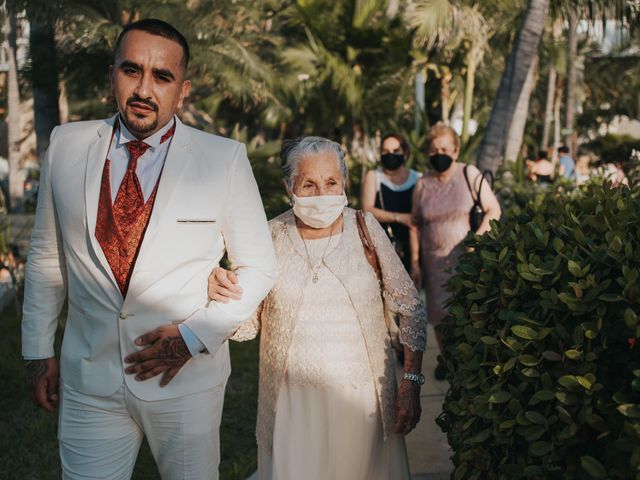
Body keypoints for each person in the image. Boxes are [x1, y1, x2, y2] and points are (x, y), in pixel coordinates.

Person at [21, 19, 277, 479]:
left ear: (183, 90)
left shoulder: (223, 158)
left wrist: (193, 338)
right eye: (131, 70)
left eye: (162, 76)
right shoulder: (66, 145)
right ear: (112, 75)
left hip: (185, 383)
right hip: (88, 379)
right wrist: (38, 353)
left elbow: (260, 267)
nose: (144, 88)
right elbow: (45, 256)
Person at [209, 136, 427, 480]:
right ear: (288, 187)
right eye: (308, 184)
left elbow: (411, 307)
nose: (322, 193)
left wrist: (410, 382)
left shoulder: (364, 228)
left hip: (363, 405)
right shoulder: (269, 237)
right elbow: (249, 326)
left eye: (331, 182)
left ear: (345, 185)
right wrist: (224, 293)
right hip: (292, 408)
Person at [412, 123, 501, 380]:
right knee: (439, 314)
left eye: (444, 148)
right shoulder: (422, 184)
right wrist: (416, 261)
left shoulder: (468, 174)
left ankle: (471, 362)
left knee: (469, 309)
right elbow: (416, 223)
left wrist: (477, 239)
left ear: (456, 150)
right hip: (433, 259)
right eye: (433, 149)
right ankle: (448, 360)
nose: (438, 153)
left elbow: (493, 209)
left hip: (466, 257)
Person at [360, 133, 420, 279]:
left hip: (413, 250)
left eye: (395, 151)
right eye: (385, 151)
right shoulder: (373, 176)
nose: (390, 155)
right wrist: (399, 218)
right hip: (382, 248)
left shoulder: (418, 178)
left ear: (405, 152)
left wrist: (416, 262)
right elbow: (367, 209)